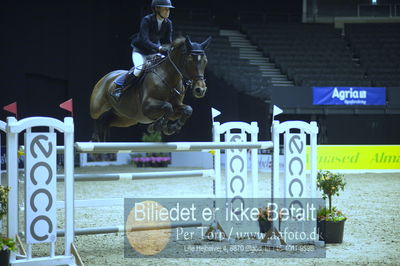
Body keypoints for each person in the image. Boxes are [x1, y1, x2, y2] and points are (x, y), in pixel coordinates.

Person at [111, 0, 174, 100]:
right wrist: (159, 48)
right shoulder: (147, 20)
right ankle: (119, 88)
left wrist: (169, 49)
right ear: (157, 9)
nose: (168, 11)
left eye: (169, 9)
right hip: (140, 51)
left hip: (154, 52)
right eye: (165, 9)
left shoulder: (168, 23)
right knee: (138, 69)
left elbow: (168, 41)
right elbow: (144, 40)